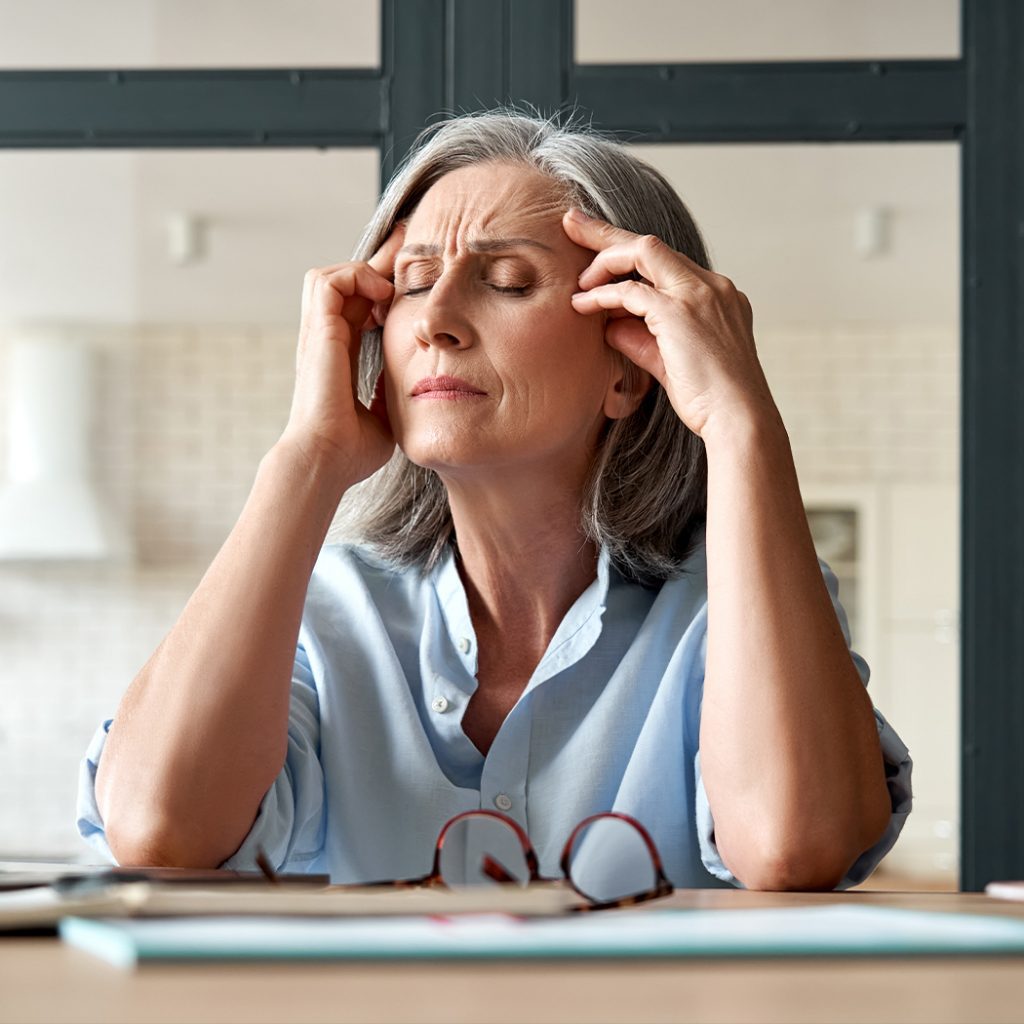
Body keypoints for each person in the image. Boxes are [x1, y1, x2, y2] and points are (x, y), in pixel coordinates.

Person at [78, 109, 911, 892]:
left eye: (508, 281)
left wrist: (741, 425)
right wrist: (306, 458)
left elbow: (798, 846)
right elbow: (159, 832)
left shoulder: (731, 608)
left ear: (633, 364)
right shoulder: (320, 614)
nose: (435, 319)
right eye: (411, 282)